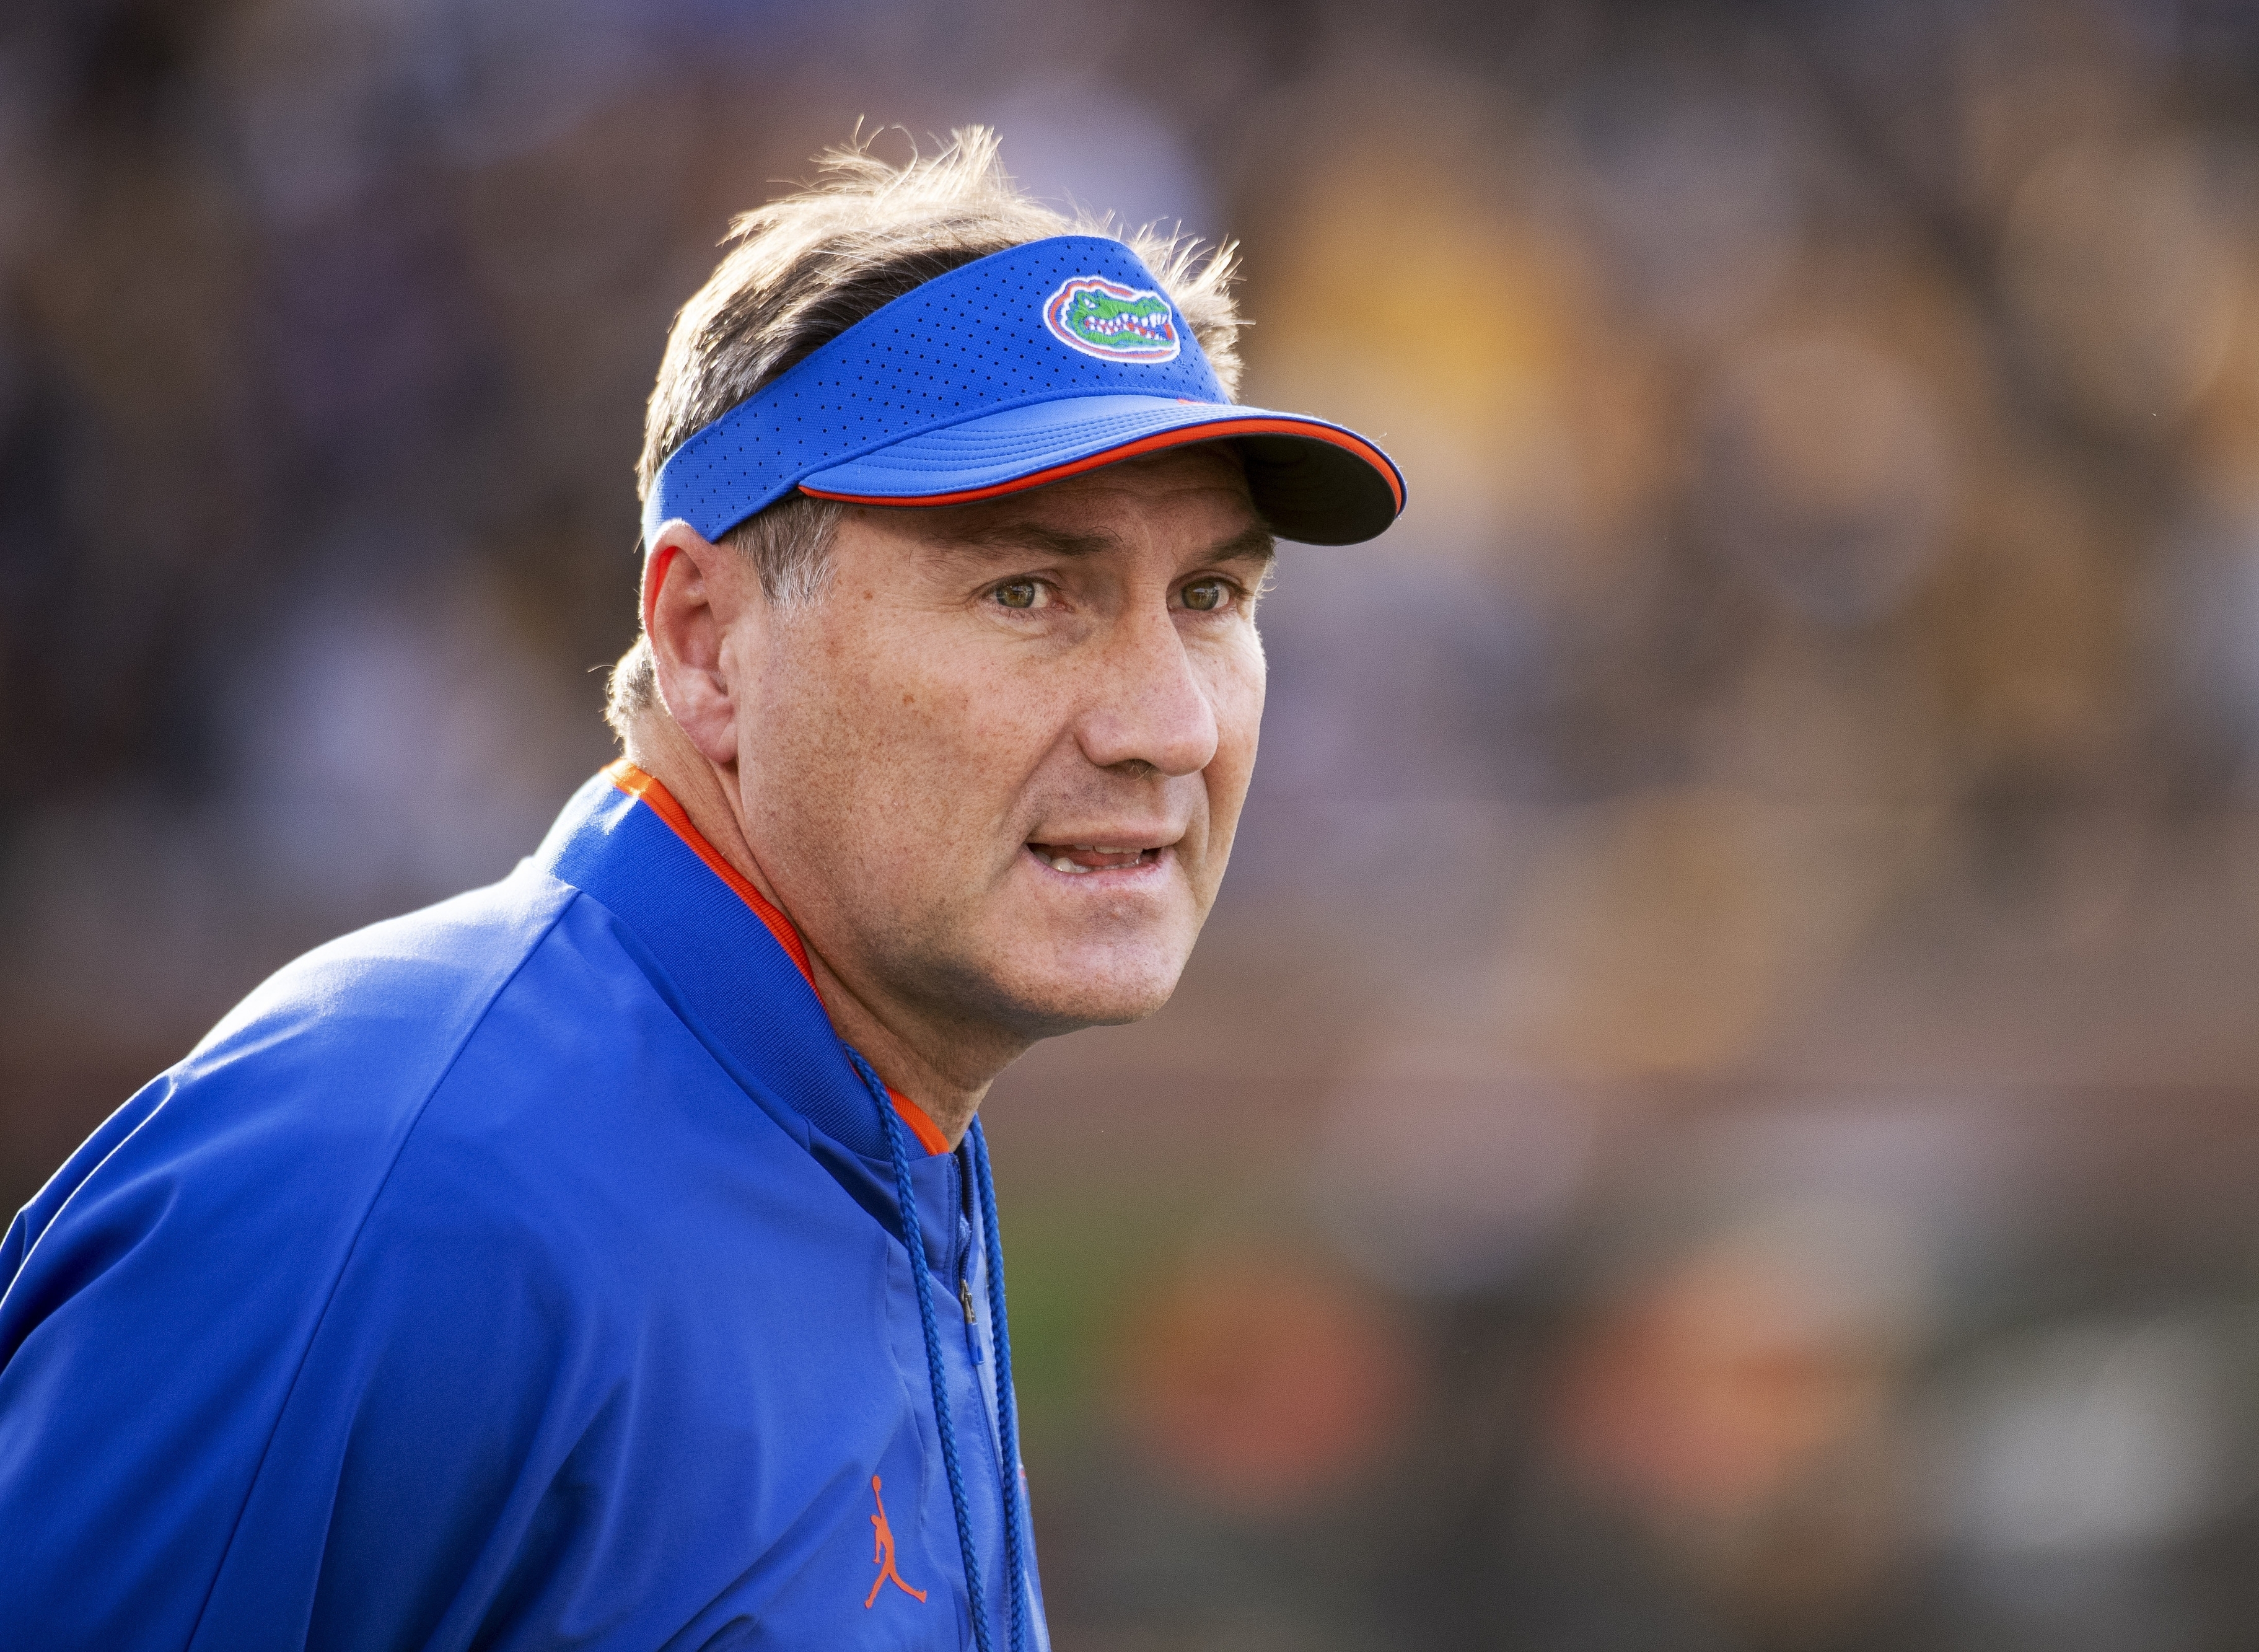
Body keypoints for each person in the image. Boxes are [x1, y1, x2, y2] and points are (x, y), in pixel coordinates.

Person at [0, 131, 1403, 1650]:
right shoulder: (397, 1174)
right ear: (704, 639)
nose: (1170, 726)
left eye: (1211, 597)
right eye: (1027, 590)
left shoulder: (873, 1118)